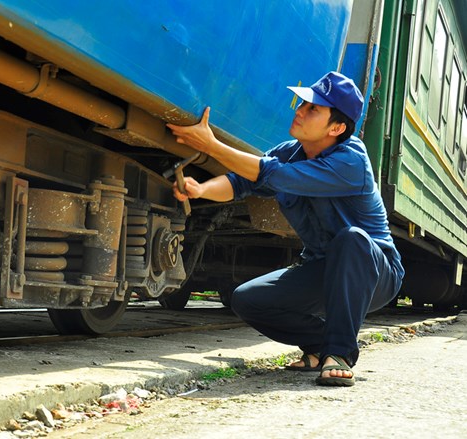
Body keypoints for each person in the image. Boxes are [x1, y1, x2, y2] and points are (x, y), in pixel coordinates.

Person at [166, 71, 404, 387]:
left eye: (313, 110)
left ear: (336, 127)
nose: (300, 112)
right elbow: (241, 182)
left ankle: (340, 352)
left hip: (373, 273)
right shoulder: (289, 151)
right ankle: (319, 345)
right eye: (303, 104)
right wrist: (201, 190)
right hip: (320, 268)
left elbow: (273, 174)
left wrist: (212, 145)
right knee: (247, 300)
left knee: (351, 239)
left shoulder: (352, 162)